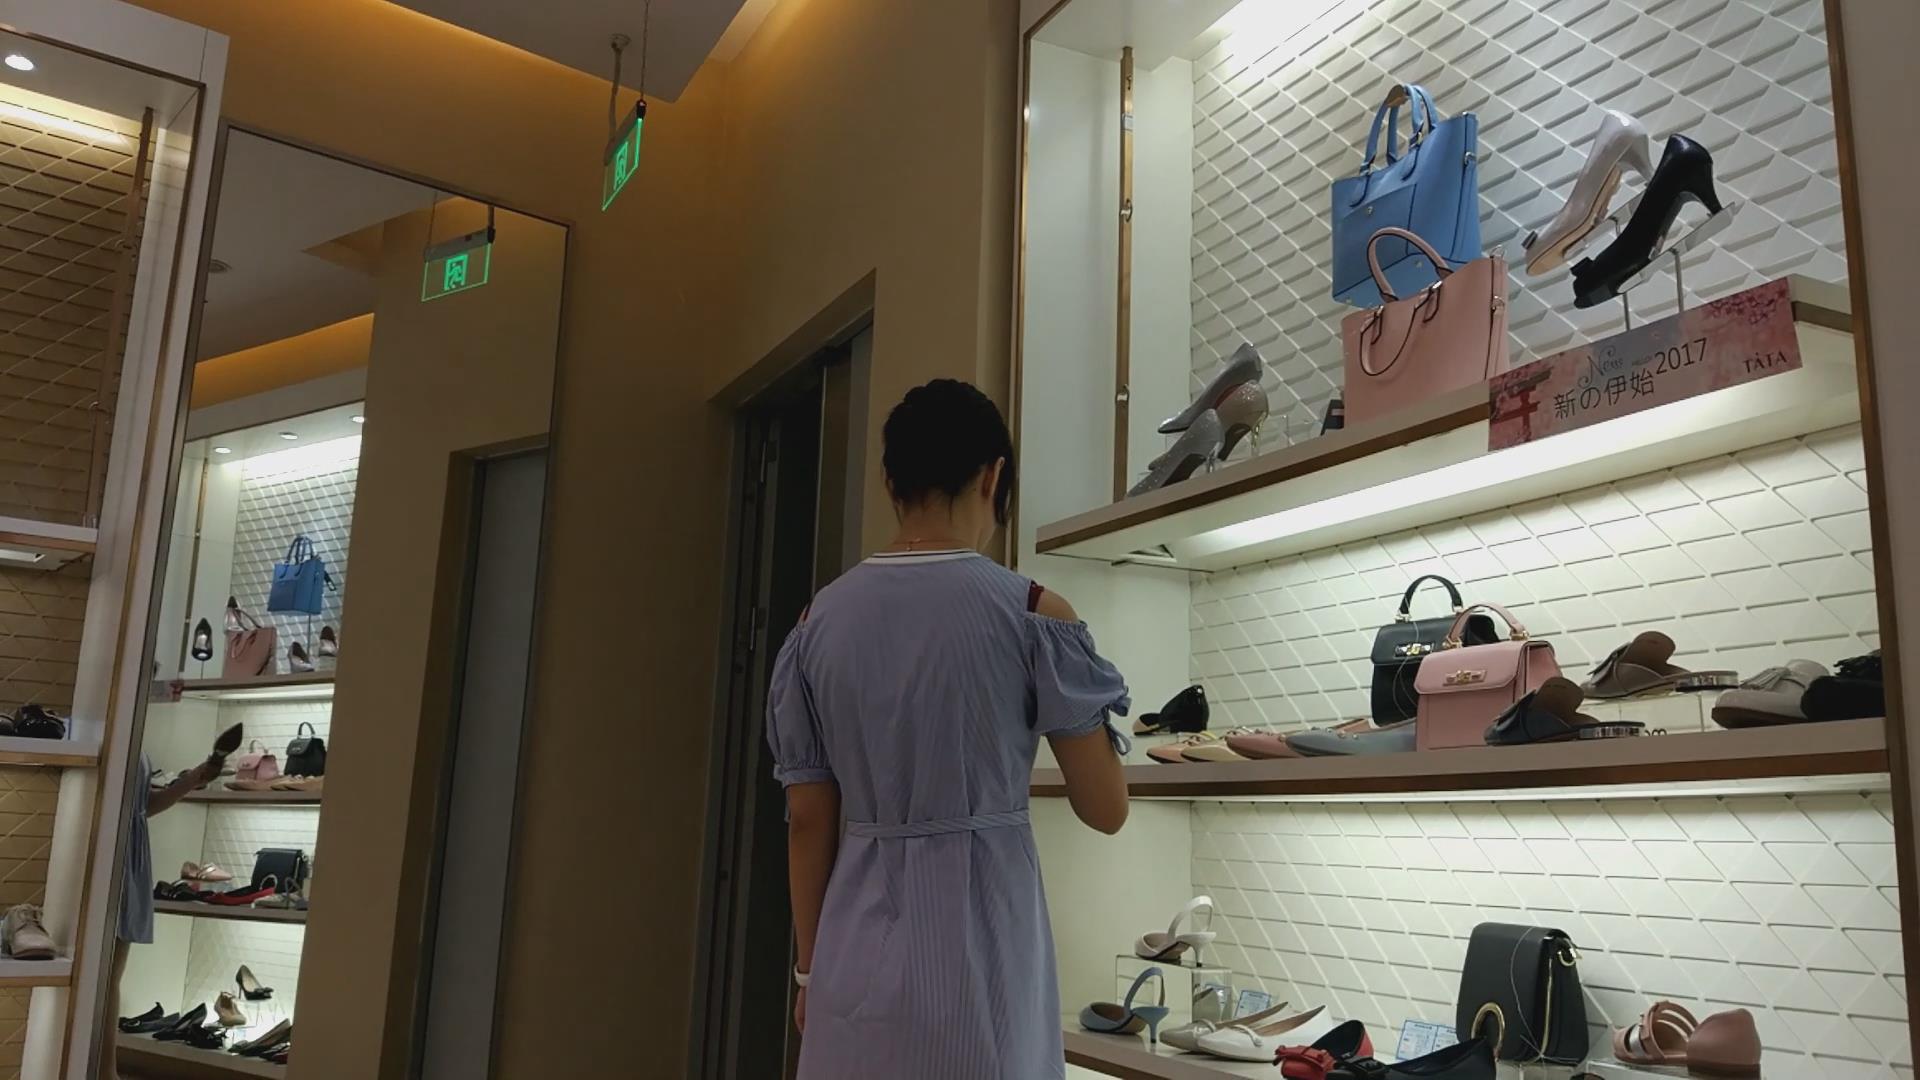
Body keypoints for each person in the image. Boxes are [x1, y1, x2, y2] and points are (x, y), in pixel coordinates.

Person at [767, 378, 1132, 1079]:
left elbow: (807, 819)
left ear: (889, 482)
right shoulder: (1032, 612)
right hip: (984, 953)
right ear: (993, 476)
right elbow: (1105, 808)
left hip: (852, 953)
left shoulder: (817, 624)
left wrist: (810, 973)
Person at [101, 722, 241, 1080]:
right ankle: (102, 1069)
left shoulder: (131, 740)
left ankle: (104, 1069)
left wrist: (192, 779)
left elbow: (143, 806)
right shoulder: (109, 734)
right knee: (103, 977)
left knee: (109, 976)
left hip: (128, 854)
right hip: (108, 852)